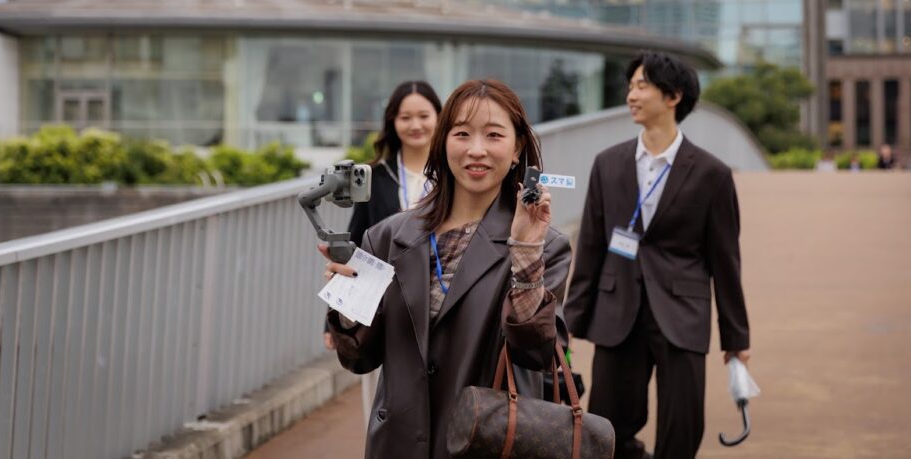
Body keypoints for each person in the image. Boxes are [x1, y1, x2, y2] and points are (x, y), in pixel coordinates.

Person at [322, 79, 572, 459]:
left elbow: (535, 354)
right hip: (399, 444)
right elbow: (359, 357)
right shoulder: (387, 236)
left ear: (517, 146)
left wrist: (525, 254)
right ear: (443, 142)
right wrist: (344, 304)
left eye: (493, 135)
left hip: (486, 444)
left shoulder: (544, 245)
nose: (476, 149)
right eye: (462, 134)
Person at [564, 51, 751, 459]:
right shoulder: (607, 164)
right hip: (617, 311)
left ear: (673, 96)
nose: (631, 95)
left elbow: (726, 261)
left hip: (682, 313)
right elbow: (590, 247)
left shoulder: (712, 174)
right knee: (607, 426)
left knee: (683, 426)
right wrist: (570, 321)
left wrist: (736, 338)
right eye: (630, 86)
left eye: (642, 86)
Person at [323, 81, 443, 419]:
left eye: (424, 116)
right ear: (392, 122)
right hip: (383, 309)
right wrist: (332, 319)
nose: (415, 125)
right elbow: (355, 246)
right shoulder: (374, 178)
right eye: (406, 117)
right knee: (385, 408)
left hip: (440, 305)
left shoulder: (452, 177)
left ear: (439, 118)